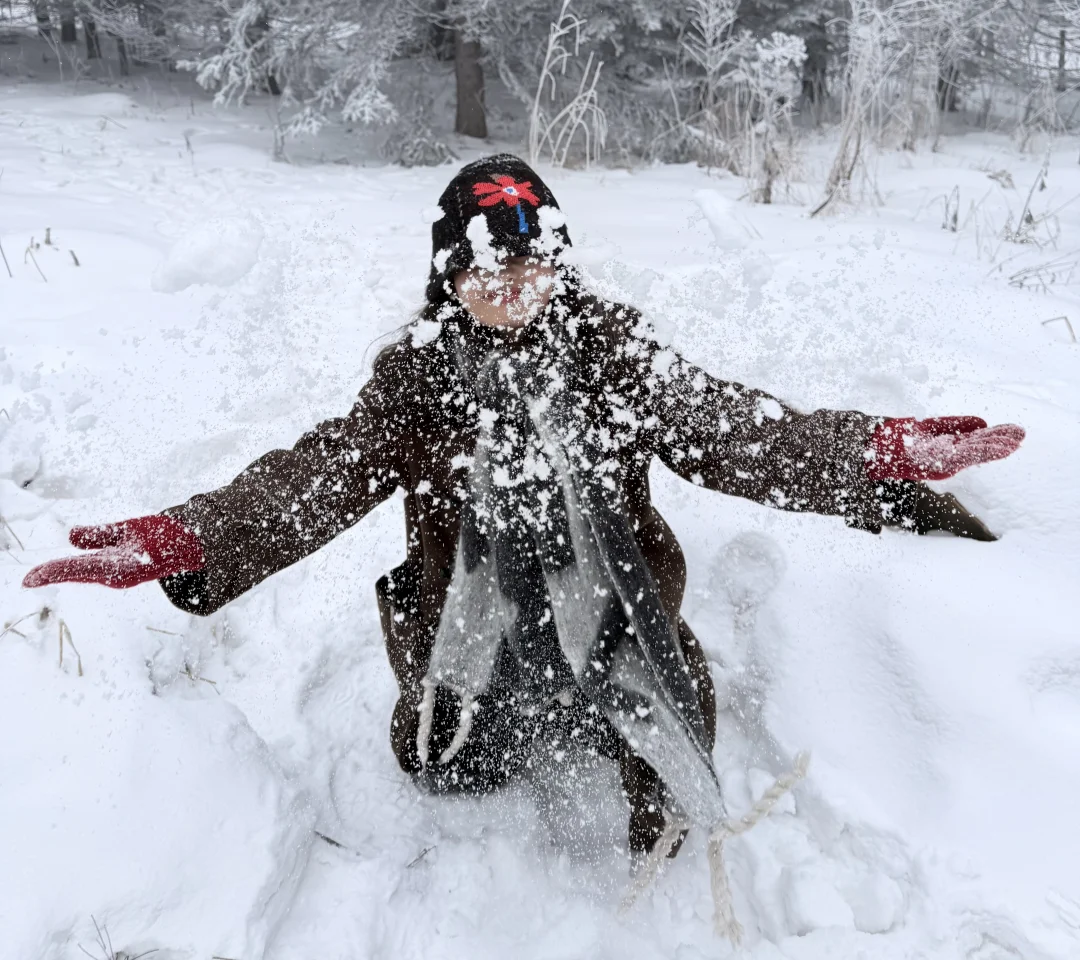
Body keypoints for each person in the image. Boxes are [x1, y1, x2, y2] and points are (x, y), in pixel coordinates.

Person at [25, 156, 1023, 874]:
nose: (515, 290)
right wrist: (199, 535)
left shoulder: (613, 356)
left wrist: (871, 454)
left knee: (672, 751)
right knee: (440, 767)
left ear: (561, 265)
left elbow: (739, 432)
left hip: (620, 611)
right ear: (451, 279)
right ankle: (497, 714)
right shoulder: (419, 381)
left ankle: (645, 801)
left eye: (533, 267)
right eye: (489, 274)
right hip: (469, 626)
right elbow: (322, 471)